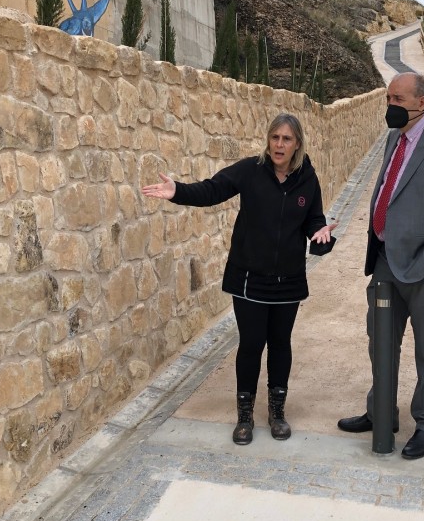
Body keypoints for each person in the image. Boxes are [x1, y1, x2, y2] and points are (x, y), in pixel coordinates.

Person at [141, 113, 335, 446]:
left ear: (297, 144)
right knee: (250, 344)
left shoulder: (308, 179)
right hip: (249, 278)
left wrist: (322, 239)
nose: (279, 144)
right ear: (268, 140)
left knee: (280, 344)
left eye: (286, 139)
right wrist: (177, 192)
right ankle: (244, 415)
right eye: (274, 137)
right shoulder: (250, 170)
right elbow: (212, 190)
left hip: (287, 281)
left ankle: (277, 412)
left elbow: (314, 223)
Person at [336, 72, 424, 459]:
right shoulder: (393, 139)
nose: (390, 107)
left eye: (398, 99)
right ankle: (381, 410)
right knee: (380, 339)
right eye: (388, 99)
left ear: (422, 103)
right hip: (385, 259)